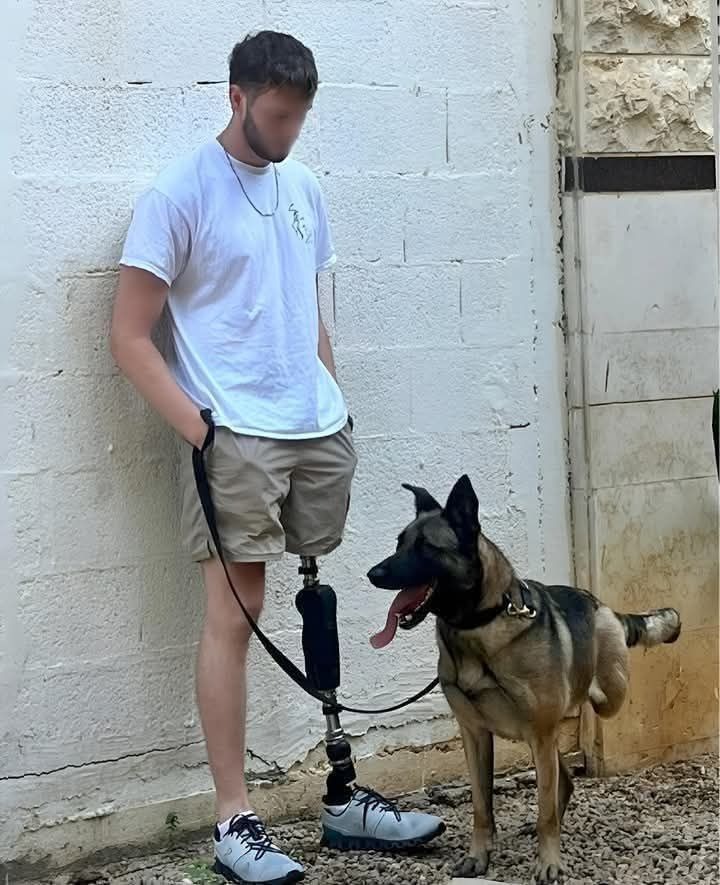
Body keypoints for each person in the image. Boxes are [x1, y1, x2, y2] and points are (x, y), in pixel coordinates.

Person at [110, 30, 444, 885]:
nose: (291, 131)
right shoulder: (178, 194)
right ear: (236, 98)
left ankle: (341, 796)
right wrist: (203, 429)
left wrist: (331, 396)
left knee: (315, 592)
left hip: (314, 427)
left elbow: (305, 308)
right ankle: (233, 819)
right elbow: (130, 334)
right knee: (234, 613)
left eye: (300, 117)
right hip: (236, 434)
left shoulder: (302, 186)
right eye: (278, 115)